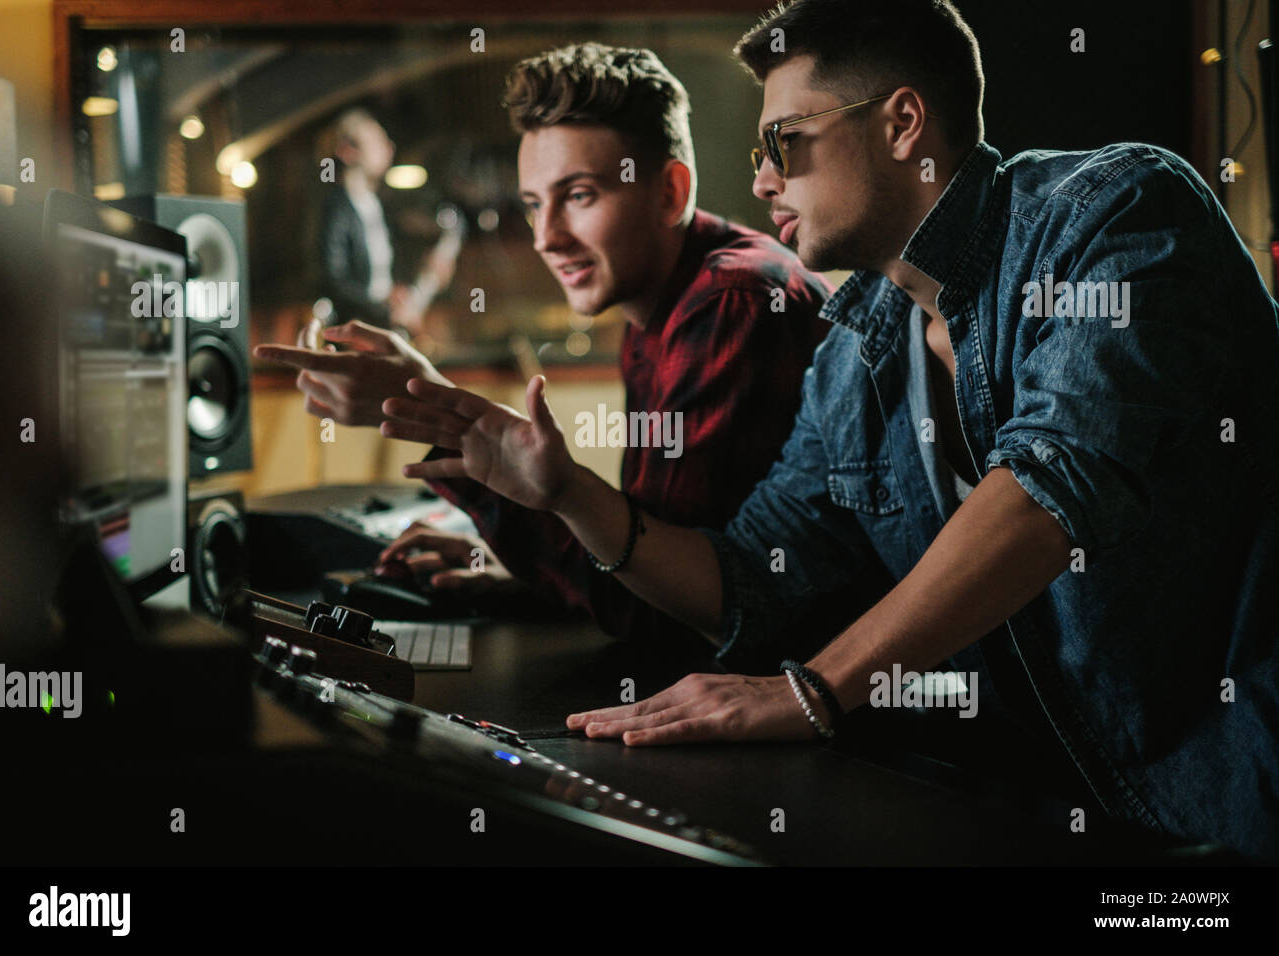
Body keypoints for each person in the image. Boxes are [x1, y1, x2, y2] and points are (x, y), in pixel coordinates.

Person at [374, 0, 1279, 857]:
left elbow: (1053, 487)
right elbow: (749, 583)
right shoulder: (853, 357)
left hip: (1234, 814)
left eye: (785, 142)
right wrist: (564, 492)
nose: (761, 178)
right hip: (1038, 818)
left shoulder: (1114, 212)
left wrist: (814, 691)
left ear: (901, 124)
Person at [257, 43, 834, 653]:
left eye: (579, 195)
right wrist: (508, 565)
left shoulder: (730, 303)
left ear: (669, 192)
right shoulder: (655, 301)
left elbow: (665, 616)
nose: (546, 238)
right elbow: (647, 561)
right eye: (535, 204)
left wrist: (429, 408)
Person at [318, 108, 458, 337]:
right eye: (376, 141)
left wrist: (429, 271)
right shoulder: (336, 209)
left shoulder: (380, 204)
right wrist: (383, 305)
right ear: (348, 152)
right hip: (356, 331)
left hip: (384, 326)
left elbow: (389, 272)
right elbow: (333, 282)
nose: (389, 147)